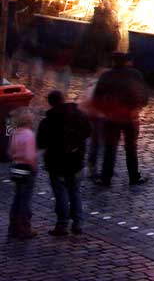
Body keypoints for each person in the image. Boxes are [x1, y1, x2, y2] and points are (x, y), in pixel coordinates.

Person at [91, 53, 149, 186]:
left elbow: (97, 97)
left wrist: (105, 110)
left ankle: (106, 178)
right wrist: (136, 108)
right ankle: (133, 177)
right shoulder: (135, 75)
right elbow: (144, 95)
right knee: (131, 148)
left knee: (110, 148)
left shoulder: (107, 76)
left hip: (112, 118)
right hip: (130, 117)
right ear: (127, 62)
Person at [36, 90, 89, 237]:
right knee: (75, 192)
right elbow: (88, 131)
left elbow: (41, 143)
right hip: (76, 160)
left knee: (61, 194)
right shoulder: (79, 115)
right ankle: (78, 223)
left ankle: (62, 225)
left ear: (50, 103)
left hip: (56, 163)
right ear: (63, 99)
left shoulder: (47, 122)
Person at [7, 111, 35, 239]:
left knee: (17, 197)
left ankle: (13, 227)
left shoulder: (14, 133)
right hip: (26, 168)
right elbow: (29, 156)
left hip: (16, 166)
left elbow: (10, 152)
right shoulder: (29, 135)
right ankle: (24, 229)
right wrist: (33, 167)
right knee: (25, 199)